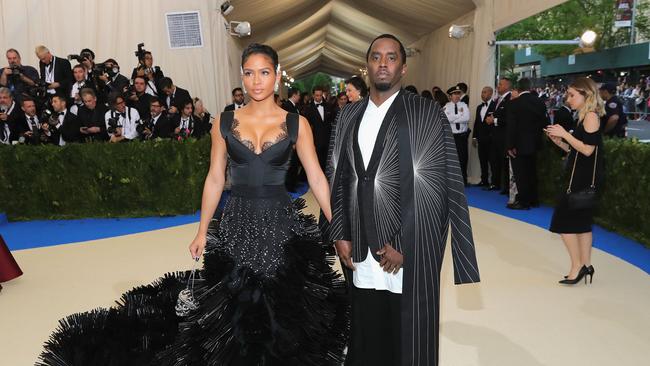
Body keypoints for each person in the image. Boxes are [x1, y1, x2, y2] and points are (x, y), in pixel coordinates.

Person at [38, 43, 348, 366]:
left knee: (283, 306)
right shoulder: (224, 122)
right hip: (237, 223)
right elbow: (215, 178)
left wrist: (337, 228)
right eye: (249, 73)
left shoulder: (297, 123)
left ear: (276, 75)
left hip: (282, 225)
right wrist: (201, 231)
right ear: (242, 76)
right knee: (236, 306)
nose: (256, 81)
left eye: (265, 72)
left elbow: (316, 177)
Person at [327, 33, 479, 366]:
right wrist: (340, 231)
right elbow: (337, 177)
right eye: (376, 57)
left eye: (391, 57)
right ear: (366, 66)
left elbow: (436, 187)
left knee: (407, 335)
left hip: (402, 250)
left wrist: (407, 244)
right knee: (365, 330)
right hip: (361, 245)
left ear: (404, 68)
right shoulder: (348, 116)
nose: (383, 63)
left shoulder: (424, 114)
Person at [545, 77, 604, 286]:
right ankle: (586, 265)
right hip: (582, 177)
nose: (568, 99)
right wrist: (561, 141)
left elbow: (588, 150)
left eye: (572, 95)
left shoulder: (590, 117)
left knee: (563, 222)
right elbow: (577, 150)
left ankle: (577, 266)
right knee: (582, 225)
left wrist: (564, 134)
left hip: (581, 180)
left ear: (585, 95)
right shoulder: (585, 117)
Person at [505, 78, 549, 210]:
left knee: (521, 174)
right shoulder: (540, 102)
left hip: (518, 145)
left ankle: (523, 202)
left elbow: (511, 127)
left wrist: (509, 146)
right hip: (535, 143)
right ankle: (534, 200)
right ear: (530, 87)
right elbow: (544, 123)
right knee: (532, 172)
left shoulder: (514, 104)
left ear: (518, 89)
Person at [444, 85, 471, 185]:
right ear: (450, 96)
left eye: (458, 93)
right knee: (452, 159)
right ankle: (452, 181)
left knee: (463, 158)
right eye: (455, 94)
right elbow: (447, 119)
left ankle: (463, 180)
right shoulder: (446, 106)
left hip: (462, 136)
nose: (457, 96)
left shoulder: (463, 105)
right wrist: (460, 115)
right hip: (452, 137)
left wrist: (454, 118)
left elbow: (467, 118)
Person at [303, 85, 335, 170]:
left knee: (328, 162)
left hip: (328, 140)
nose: (319, 97)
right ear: (313, 95)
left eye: (320, 95)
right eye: (317, 95)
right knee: (317, 163)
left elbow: (332, 122)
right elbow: (307, 127)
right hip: (316, 141)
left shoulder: (328, 106)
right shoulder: (308, 108)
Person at [472, 86, 496, 188]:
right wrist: (474, 137)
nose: (482, 94)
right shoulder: (479, 107)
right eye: (482, 92)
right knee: (482, 161)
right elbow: (476, 123)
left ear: (490, 94)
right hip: (481, 139)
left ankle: (494, 182)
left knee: (493, 161)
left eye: (485, 92)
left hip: (491, 139)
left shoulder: (495, 106)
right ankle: (484, 180)